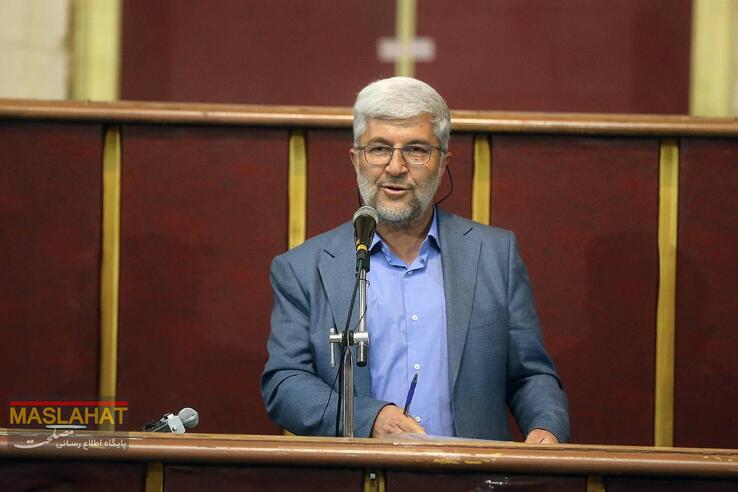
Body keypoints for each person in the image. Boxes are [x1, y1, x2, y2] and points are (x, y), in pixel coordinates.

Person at [261, 77, 569, 443]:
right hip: (361, 470)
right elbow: (285, 383)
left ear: (443, 162)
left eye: (416, 149)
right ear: (355, 159)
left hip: (473, 470)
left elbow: (530, 374)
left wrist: (546, 427)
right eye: (379, 148)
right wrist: (369, 417)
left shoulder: (494, 255)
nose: (395, 166)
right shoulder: (302, 268)